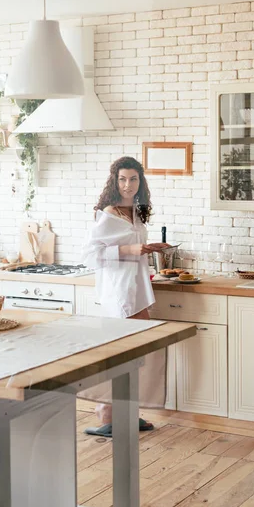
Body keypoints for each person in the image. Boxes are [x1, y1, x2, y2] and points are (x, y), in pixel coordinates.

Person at [81, 156, 171, 437]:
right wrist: (131, 251)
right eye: (122, 179)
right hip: (120, 291)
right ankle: (106, 413)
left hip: (137, 288)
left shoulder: (134, 210)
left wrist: (149, 248)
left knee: (137, 355)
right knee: (123, 355)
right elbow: (88, 256)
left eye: (133, 179)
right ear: (114, 180)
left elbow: (132, 244)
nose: (128, 184)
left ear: (140, 181)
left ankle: (128, 413)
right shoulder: (107, 213)